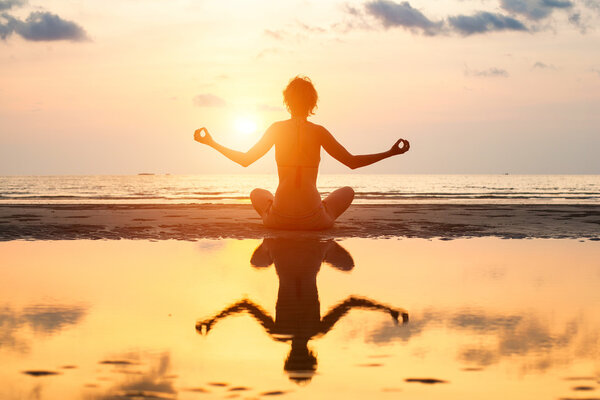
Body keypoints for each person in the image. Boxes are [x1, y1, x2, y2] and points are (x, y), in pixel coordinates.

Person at [194, 76, 410, 230]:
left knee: (257, 193)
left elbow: (245, 160)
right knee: (347, 191)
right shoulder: (318, 132)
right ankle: (320, 210)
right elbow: (351, 162)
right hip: (314, 221)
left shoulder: (277, 128)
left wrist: (212, 143)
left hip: (278, 220)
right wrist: (390, 153)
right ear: (312, 103)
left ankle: (275, 210)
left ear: (287, 102)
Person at [196, 238, 408, 384]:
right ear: (289, 357)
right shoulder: (280, 332)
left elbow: (349, 303)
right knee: (257, 262)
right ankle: (271, 244)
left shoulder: (314, 330)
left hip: (313, 253)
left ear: (311, 357)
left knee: (346, 264)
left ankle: (314, 245)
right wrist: (213, 319)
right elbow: (245, 305)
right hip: (283, 252)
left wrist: (388, 309)